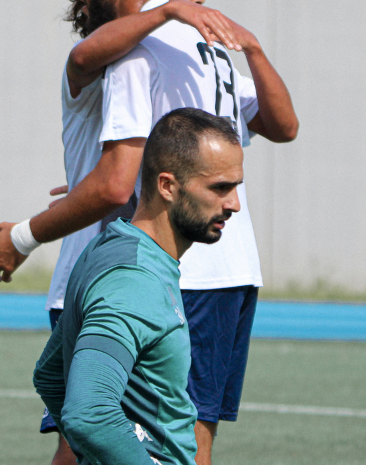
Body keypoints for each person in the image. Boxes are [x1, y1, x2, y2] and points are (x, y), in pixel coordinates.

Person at [0, 0, 298, 465]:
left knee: (91, 434)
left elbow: (114, 182)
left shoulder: (132, 54)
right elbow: (277, 129)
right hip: (225, 268)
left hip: (147, 268)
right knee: (184, 437)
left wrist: (24, 236)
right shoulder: (210, 51)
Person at [33, 108, 245, 465]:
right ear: (167, 186)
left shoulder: (113, 247)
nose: (234, 204)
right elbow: (88, 413)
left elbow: (51, 376)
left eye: (236, 187)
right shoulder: (133, 279)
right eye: (219, 188)